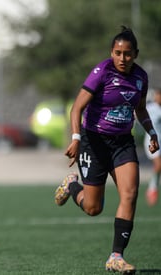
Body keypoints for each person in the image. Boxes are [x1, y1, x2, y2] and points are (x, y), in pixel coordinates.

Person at [54, 26, 159, 273]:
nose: (122, 58)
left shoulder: (141, 77)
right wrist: (76, 138)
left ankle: (116, 256)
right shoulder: (102, 72)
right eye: (118, 53)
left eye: (128, 54)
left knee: (130, 194)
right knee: (93, 208)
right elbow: (77, 108)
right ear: (112, 52)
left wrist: (152, 132)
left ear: (136, 53)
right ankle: (72, 185)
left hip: (122, 142)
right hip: (94, 141)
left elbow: (141, 110)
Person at [143, 88, 161, 206]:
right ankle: (152, 189)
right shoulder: (151, 108)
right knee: (158, 165)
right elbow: (139, 113)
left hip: (160, 140)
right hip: (151, 141)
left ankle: (153, 187)